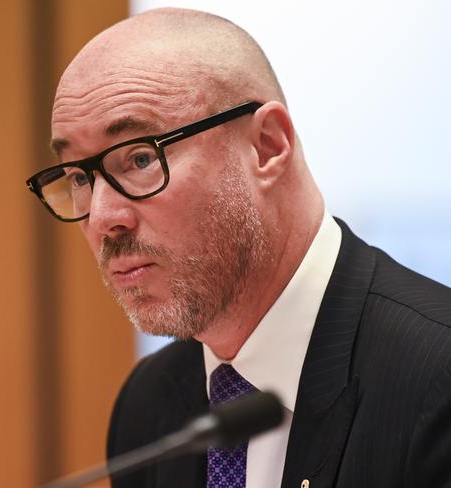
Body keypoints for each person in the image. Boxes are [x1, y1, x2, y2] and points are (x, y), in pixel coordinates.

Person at [26, 7, 451, 488]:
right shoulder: (148, 405)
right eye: (80, 177)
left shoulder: (437, 378)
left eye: (141, 158)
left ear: (267, 146)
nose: (103, 218)